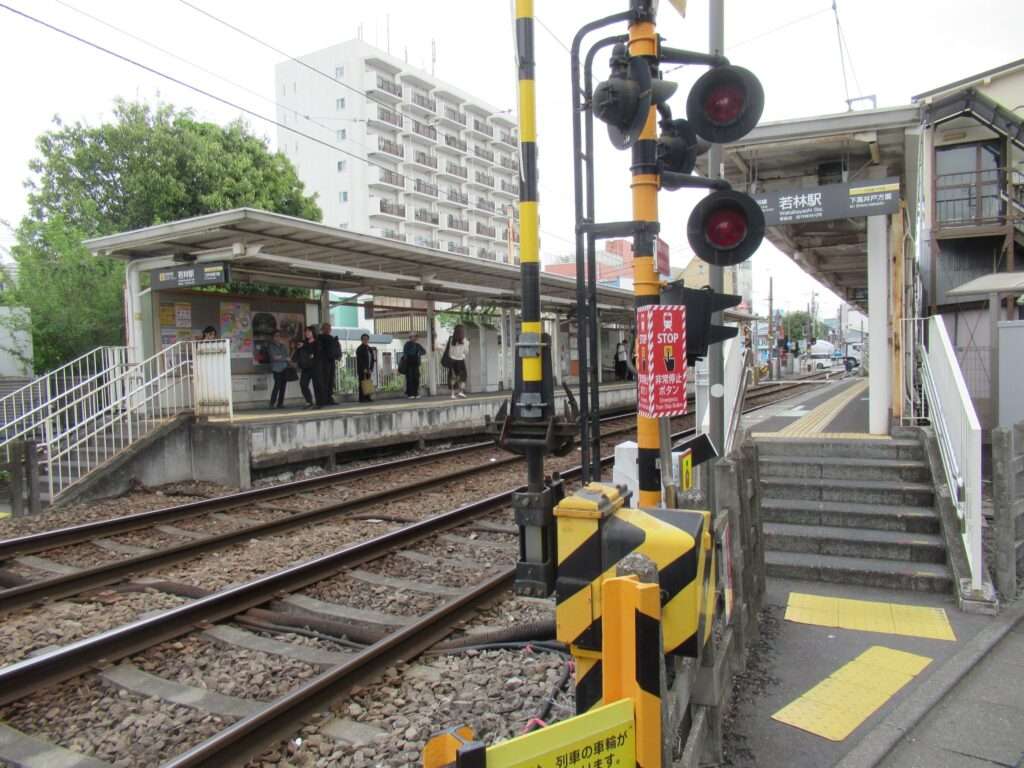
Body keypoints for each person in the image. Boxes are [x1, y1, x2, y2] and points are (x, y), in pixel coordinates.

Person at [293, 325, 322, 408]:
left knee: (316, 385)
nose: (307, 333)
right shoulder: (303, 342)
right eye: (305, 331)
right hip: (305, 367)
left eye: (309, 331)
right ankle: (309, 401)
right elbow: (298, 352)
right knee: (303, 384)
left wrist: (305, 346)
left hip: (315, 367)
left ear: (313, 333)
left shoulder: (317, 342)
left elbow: (317, 353)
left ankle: (319, 403)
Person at [317, 322, 341, 405]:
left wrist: (338, 356)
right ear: (322, 329)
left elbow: (336, 348)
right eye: (326, 328)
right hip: (323, 362)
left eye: (329, 328)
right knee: (325, 380)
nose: (328, 330)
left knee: (331, 380)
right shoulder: (319, 338)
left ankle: (329, 398)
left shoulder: (332, 338)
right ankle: (323, 399)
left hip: (331, 361)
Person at [267, 332, 291, 409]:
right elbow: (274, 357)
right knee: (277, 386)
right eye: (276, 336)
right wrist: (283, 358)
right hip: (276, 369)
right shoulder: (271, 346)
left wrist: (281, 357)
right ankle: (272, 403)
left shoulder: (283, 346)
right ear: (273, 337)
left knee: (283, 386)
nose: (278, 337)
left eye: (279, 336)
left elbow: (287, 356)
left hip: (284, 368)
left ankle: (280, 403)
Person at [446, 324, 469, 399]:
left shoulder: (451, 339)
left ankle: (452, 394)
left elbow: (449, 351)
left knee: (453, 377)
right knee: (463, 376)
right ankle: (461, 392)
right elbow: (466, 352)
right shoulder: (465, 340)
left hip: (452, 360)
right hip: (460, 361)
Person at [401, 332, 427, 399]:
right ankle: (410, 394)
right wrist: (415, 353)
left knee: (416, 379)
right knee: (410, 379)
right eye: (413, 336)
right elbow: (405, 353)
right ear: (410, 337)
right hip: (409, 364)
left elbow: (424, 351)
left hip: (416, 364)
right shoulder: (407, 344)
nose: (415, 337)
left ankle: (416, 393)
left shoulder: (418, 345)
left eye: (416, 336)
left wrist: (419, 353)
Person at [356, 333, 376, 402]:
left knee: (368, 383)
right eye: (364, 339)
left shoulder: (369, 348)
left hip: (369, 369)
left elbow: (372, 359)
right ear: (361, 340)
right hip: (362, 369)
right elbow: (360, 360)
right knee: (362, 383)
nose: (366, 340)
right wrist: (364, 368)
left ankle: (368, 397)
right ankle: (361, 398)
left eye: (367, 339)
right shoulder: (359, 348)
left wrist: (371, 368)